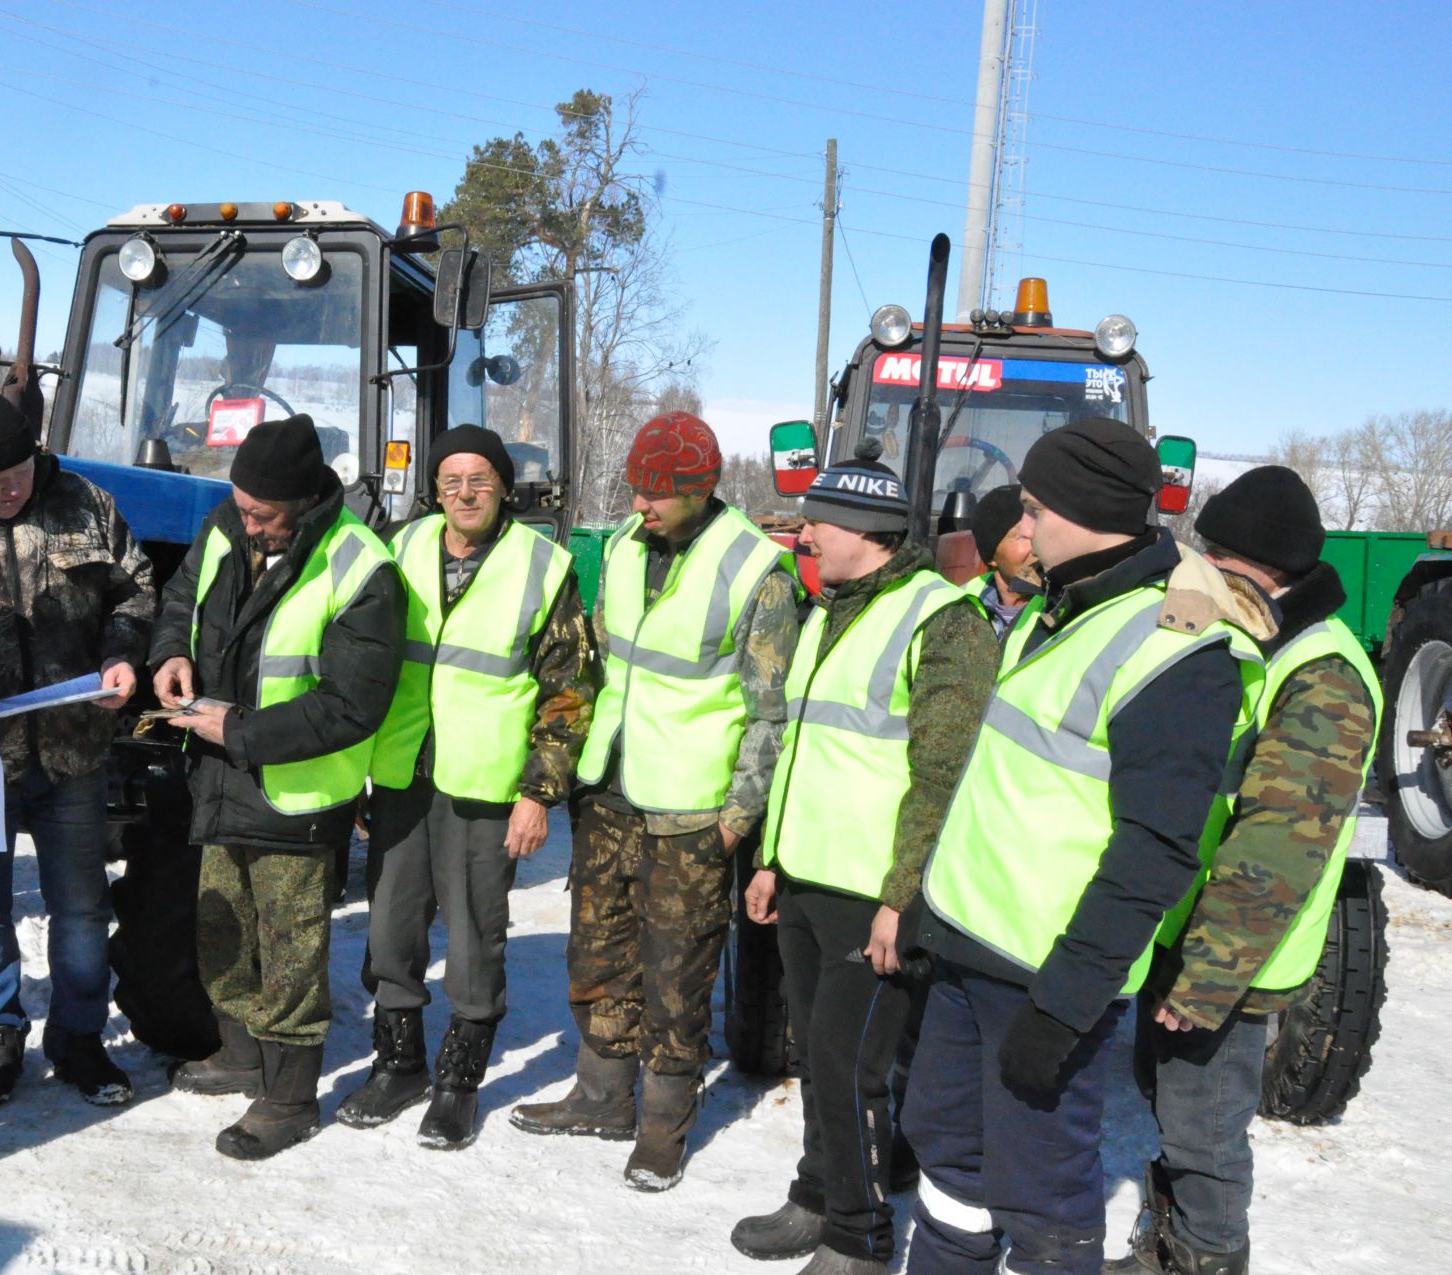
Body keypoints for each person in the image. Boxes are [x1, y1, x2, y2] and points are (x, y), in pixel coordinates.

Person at [901, 417, 1268, 1275]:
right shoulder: (1064, 608)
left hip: (1042, 981)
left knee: (1044, 1198)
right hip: (968, 953)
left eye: (1032, 510)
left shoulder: (1176, 655)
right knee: (950, 1165)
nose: (1018, 531)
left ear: (1087, 512)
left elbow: (1155, 853)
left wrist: (1063, 1006)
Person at [511, 411, 799, 1192]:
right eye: (638, 490)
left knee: (678, 972)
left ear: (700, 490)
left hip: (692, 810)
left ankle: (663, 1126)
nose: (641, 505)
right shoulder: (628, 548)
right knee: (598, 952)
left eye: (656, 494)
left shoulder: (758, 574)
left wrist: (739, 814)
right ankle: (602, 1096)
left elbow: (772, 711)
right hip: (611, 790)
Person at [734, 443, 996, 1273]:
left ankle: (860, 1237)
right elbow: (803, 746)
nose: (804, 530)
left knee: (854, 1067)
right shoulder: (833, 606)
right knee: (815, 1052)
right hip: (808, 876)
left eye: (818, 518)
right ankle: (818, 1193)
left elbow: (943, 777)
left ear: (865, 529)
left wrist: (901, 897)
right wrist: (771, 857)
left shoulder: (942, 620)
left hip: (872, 892)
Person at [1108, 468, 1378, 1275]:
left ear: (1261, 568)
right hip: (1184, 930)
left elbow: (1275, 848)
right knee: (1166, 1105)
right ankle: (1164, 1243)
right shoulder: (1250, 640)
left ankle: (1207, 1256)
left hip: (1232, 962)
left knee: (1204, 1132)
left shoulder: (1321, 674)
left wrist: (1206, 978)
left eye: (1217, 553)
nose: (1201, 566)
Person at [149, 413, 404, 1161]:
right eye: (241, 504)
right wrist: (170, 652)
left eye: (262, 513)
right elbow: (179, 597)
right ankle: (240, 1055)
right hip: (220, 775)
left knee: (290, 948)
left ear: (301, 502)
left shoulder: (360, 566)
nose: (246, 519)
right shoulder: (229, 523)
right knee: (222, 927)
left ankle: (290, 1097)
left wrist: (240, 730)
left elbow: (354, 704)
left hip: (295, 793)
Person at [338, 425, 594, 1149]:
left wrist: (539, 793)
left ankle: (457, 1083)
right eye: (451, 480)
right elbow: (369, 661)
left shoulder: (542, 566)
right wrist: (360, 765)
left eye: (480, 478)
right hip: (401, 770)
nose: (465, 493)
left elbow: (570, 693)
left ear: (505, 485)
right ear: (435, 489)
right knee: (390, 925)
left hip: (484, 785)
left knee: (476, 934)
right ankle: (400, 1065)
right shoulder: (403, 545)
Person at [0, 389, 154, 1108]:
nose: (8, 491)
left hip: (74, 749)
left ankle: (78, 1037)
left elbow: (134, 592)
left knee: (80, 908)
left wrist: (122, 656)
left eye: (18, 474)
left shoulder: (88, 504)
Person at [966, 483, 1038, 637]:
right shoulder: (960, 606)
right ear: (992, 556)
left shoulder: (1064, 607)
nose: (1038, 547)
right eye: (1022, 537)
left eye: (1042, 531)